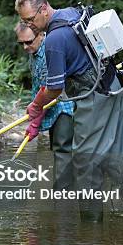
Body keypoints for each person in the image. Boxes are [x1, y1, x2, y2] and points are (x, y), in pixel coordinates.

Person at [15, 0, 123, 221]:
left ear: (44, 8)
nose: (30, 26)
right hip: (112, 86)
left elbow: (53, 88)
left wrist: (35, 106)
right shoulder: (71, 13)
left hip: (92, 96)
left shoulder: (53, 40)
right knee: (117, 153)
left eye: (31, 19)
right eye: (25, 22)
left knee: (85, 161)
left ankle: (90, 233)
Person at [15, 21, 74, 191]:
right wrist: (34, 112)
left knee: (62, 149)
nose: (25, 47)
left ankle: (62, 196)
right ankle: (62, 191)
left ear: (41, 34)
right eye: (21, 43)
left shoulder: (49, 52)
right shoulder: (33, 55)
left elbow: (49, 90)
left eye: (29, 42)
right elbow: (37, 88)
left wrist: (35, 122)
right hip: (50, 106)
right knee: (56, 149)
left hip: (64, 105)